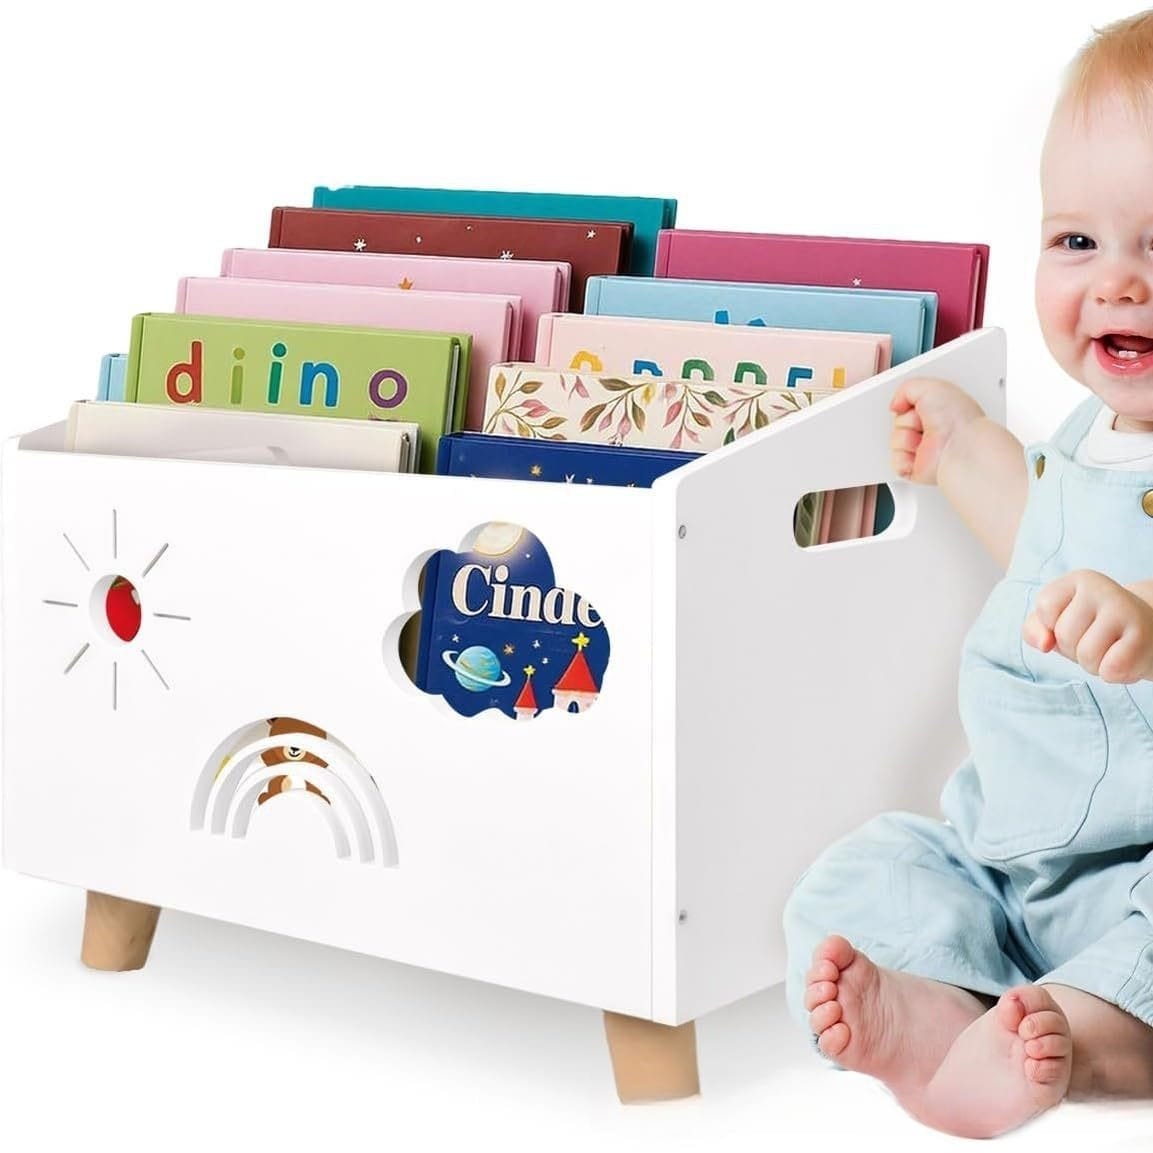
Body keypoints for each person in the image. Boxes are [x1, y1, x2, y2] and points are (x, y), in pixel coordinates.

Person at [781, 9, 1153, 1139]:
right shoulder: (1095, 436)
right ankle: (936, 1020)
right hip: (1000, 841)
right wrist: (957, 449)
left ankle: (1072, 1043)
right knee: (867, 870)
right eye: (1076, 243)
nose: (1117, 285)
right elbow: (1036, 521)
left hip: (1138, 868)